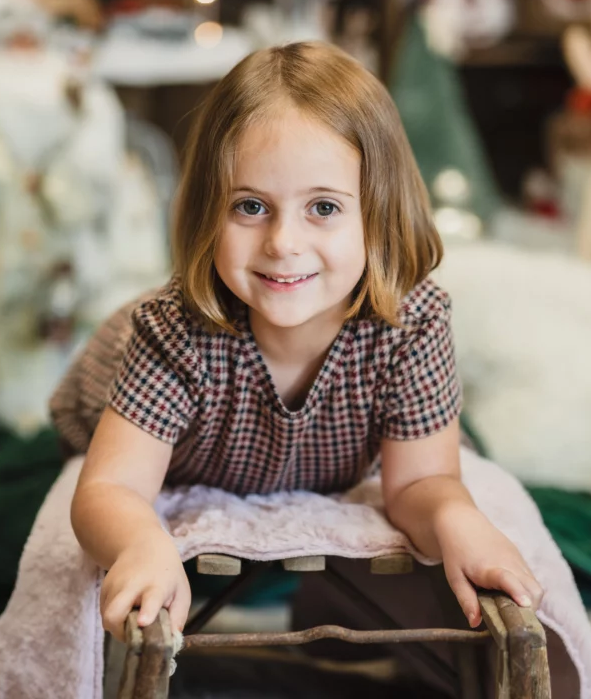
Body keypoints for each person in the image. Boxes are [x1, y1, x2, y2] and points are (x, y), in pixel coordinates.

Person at [62, 41, 544, 642]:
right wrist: (139, 540)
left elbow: (421, 482)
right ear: (206, 211)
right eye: (250, 206)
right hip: (128, 404)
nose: (283, 242)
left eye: (323, 207)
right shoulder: (174, 330)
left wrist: (456, 517)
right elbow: (110, 487)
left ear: (379, 213)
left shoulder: (410, 322)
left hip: (318, 452)